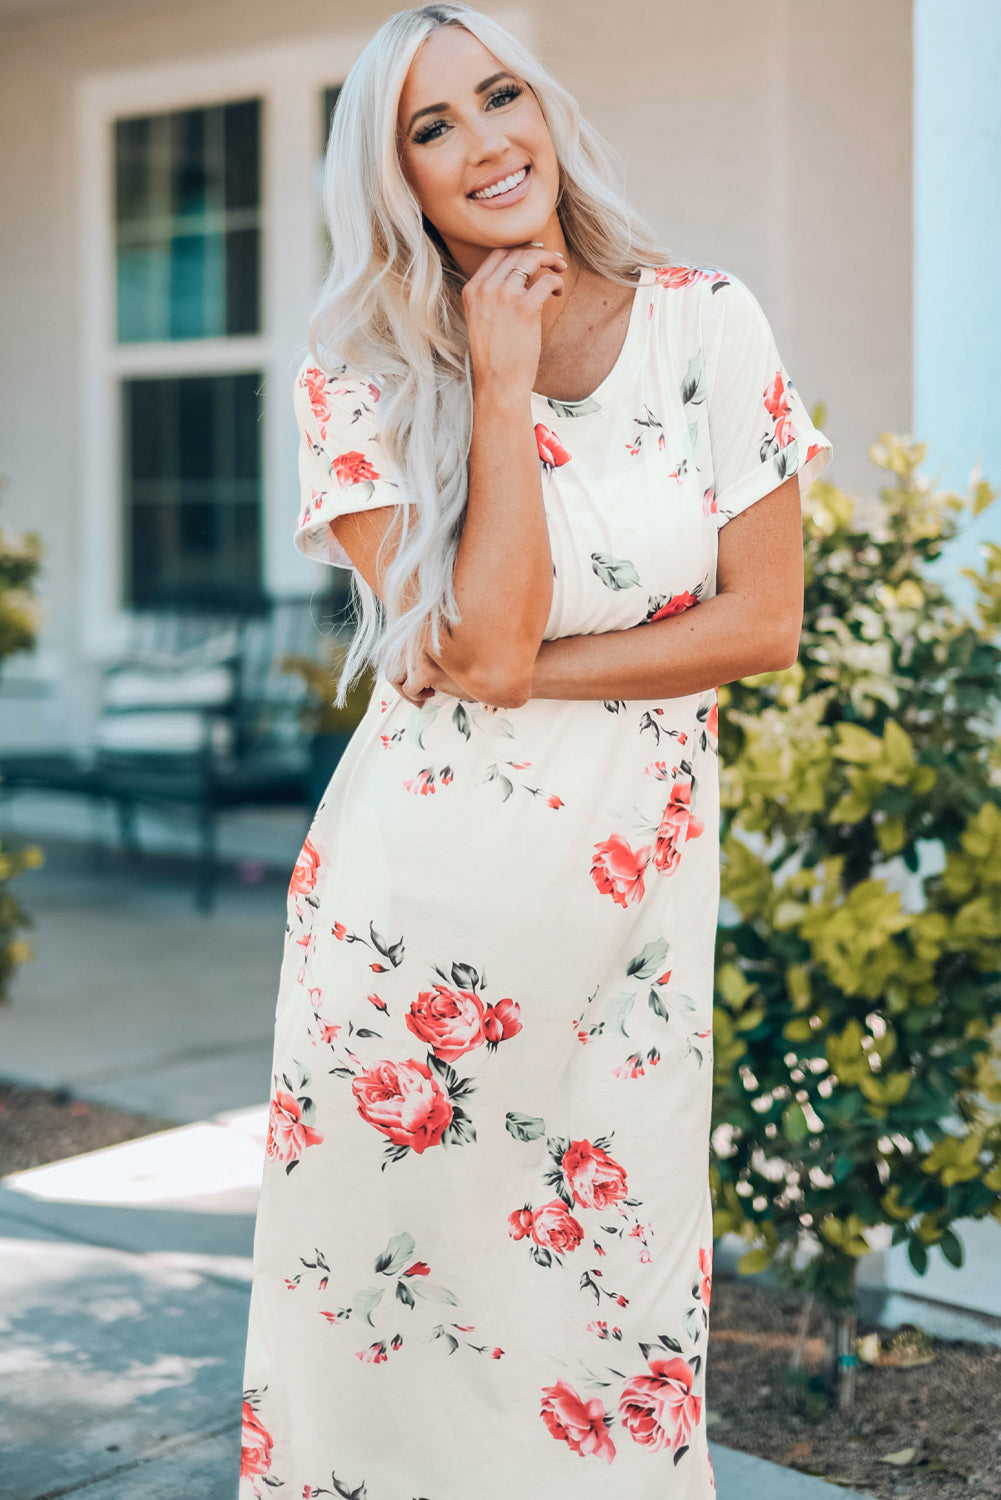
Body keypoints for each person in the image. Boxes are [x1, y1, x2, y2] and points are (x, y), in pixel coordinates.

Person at [238, 4, 833, 1496]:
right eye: (428, 129)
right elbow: (471, 637)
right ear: (398, 185)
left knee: (608, 1320)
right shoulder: (356, 374)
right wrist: (495, 380)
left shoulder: (706, 319)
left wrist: (511, 673)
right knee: (381, 1333)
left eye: (496, 95)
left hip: (625, 938)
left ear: (543, 104)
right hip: (408, 934)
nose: (482, 141)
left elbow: (758, 624)